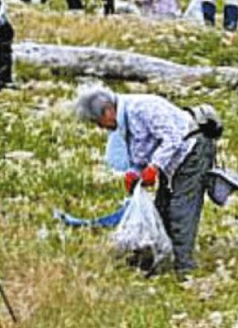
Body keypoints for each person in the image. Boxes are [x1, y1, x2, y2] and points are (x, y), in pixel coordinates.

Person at [75, 85, 214, 275]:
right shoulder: (122, 124)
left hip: (192, 151)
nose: (101, 127)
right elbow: (140, 151)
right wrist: (135, 172)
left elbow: (173, 138)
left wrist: (154, 166)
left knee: (181, 211)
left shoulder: (143, 108)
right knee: (162, 209)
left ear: (108, 110)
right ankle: (161, 259)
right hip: (172, 160)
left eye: (98, 122)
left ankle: (185, 269)